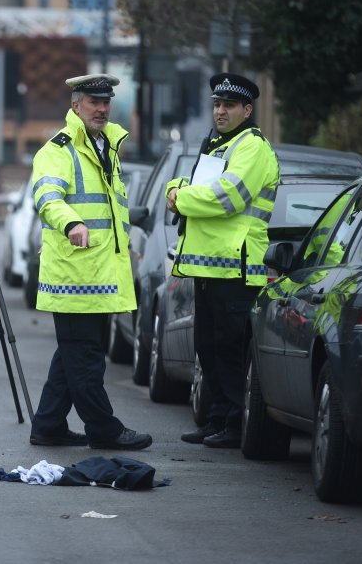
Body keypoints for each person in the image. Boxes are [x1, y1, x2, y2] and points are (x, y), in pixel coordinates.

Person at [28, 73, 152, 451]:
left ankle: (48, 425)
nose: (101, 109)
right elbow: (48, 198)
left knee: (73, 355)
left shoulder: (107, 146)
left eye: (105, 102)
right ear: (75, 105)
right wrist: (71, 223)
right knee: (86, 361)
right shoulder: (58, 151)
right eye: (93, 102)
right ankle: (104, 429)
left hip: (99, 274)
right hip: (74, 275)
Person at [166, 73, 280, 449]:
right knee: (209, 348)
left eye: (229, 106)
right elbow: (193, 184)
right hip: (208, 266)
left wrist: (179, 197)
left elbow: (226, 197)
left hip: (236, 266)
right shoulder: (214, 145)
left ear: (247, 110)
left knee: (230, 351)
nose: (220, 111)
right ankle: (216, 419)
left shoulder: (253, 147)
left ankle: (233, 423)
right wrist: (176, 188)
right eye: (217, 104)